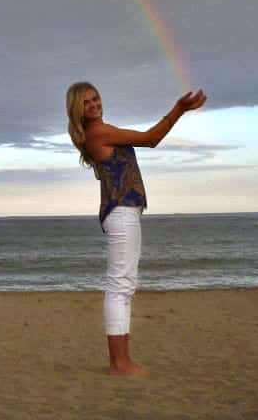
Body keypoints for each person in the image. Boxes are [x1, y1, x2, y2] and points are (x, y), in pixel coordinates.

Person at [65, 82, 207, 376]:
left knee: (124, 286)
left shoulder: (100, 131)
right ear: (77, 109)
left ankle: (122, 361)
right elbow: (151, 138)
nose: (93, 105)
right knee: (120, 286)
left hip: (123, 212)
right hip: (121, 212)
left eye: (95, 98)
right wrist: (179, 109)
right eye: (85, 103)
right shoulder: (98, 133)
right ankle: (119, 363)